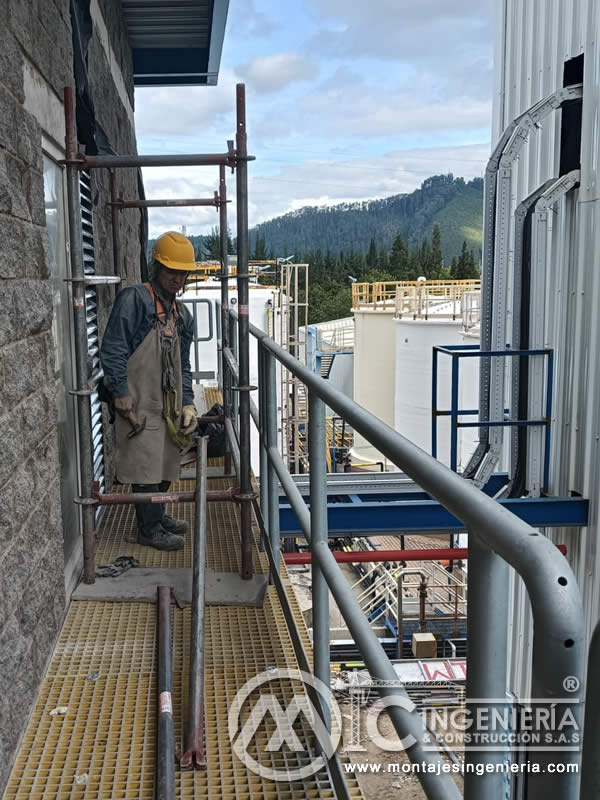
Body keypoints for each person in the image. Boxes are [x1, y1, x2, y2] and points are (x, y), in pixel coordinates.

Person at [100, 231, 200, 551]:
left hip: (167, 401)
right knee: (145, 463)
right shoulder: (135, 300)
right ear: (156, 266)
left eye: (183, 273)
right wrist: (119, 391)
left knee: (167, 459)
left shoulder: (181, 315)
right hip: (139, 399)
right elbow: (113, 348)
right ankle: (149, 529)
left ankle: (157, 514)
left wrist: (187, 403)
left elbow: (183, 364)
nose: (178, 279)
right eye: (172, 271)